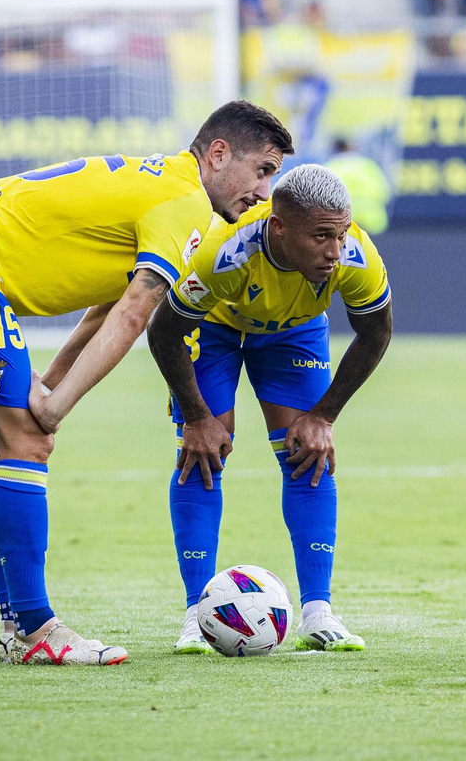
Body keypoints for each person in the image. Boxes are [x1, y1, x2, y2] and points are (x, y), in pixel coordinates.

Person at [0, 101, 293, 665]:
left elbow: (104, 308)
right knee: (28, 439)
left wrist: (49, 387)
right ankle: (35, 629)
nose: (265, 192)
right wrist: (52, 412)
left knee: (5, 441)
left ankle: (15, 624)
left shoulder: (162, 185)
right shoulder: (185, 203)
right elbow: (133, 316)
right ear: (218, 154)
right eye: (263, 170)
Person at [148, 165, 393, 654]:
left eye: (341, 234)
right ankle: (196, 613)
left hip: (292, 330)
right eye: (322, 236)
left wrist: (323, 416)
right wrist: (197, 417)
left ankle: (318, 612)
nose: (334, 250)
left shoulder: (356, 256)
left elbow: (376, 333)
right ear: (278, 228)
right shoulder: (226, 254)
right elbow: (163, 332)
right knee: (203, 452)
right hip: (213, 326)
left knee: (307, 452)